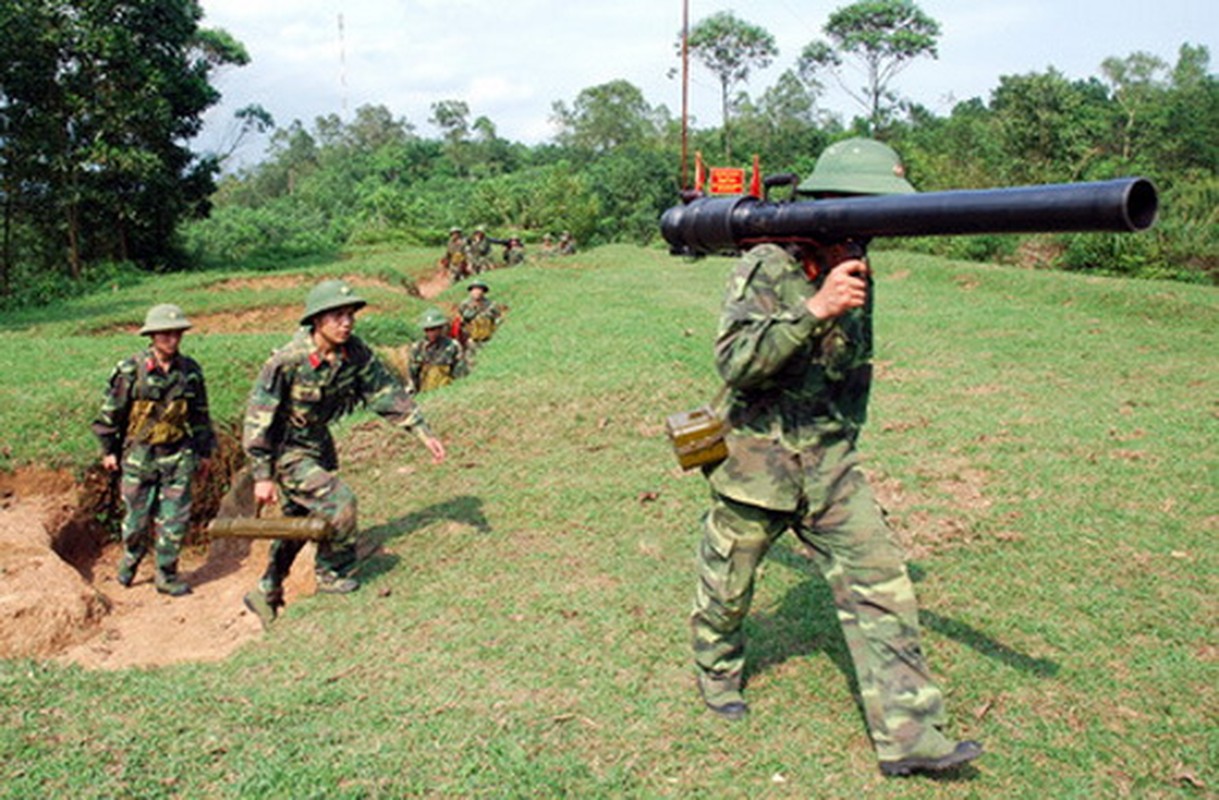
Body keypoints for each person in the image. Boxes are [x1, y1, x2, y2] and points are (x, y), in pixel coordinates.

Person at [688, 138, 983, 777]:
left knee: (884, 588)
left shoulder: (855, 263)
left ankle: (911, 738)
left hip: (829, 465)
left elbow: (852, 370)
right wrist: (813, 311)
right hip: (757, 465)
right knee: (728, 589)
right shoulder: (767, 264)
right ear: (834, 204)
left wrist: (842, 443)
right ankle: (716, 673)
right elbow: (735, 363)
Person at [242, 279, 447, 625]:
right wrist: (262, 475)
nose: (346, 322)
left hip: (319, 448)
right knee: (340, 502)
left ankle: (266, 589)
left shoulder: (355, 352)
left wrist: (420, 430)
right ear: (317, 320)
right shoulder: (287, 361)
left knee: (301, 523)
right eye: (337, 316)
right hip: (287, 452)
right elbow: (258, 418)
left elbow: (383, 390)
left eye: (350, 315)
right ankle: (331, 573)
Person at [93, 304, 216, 596]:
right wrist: (108, 450)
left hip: (178, 456)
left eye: (176, 334)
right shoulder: (130, 371)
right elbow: (111, 413)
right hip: (140, 456)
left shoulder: (190, 372)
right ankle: (131, 561)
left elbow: (199, 415)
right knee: (135, 521)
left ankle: (166, 574)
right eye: (165, 334)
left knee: (174, 521)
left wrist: (205, 451)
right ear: (152, 336)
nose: (171, 340)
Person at [409, 308, 467, 391]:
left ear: (440, 328)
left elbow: (460, 374)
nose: (430, 333)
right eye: (427, 330)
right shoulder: (417, 348)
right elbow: (413, 375)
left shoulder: (453, 346)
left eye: (433, 329)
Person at [456, 280, 503, 349]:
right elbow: (460, 320)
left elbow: (498, 319)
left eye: (479, 290)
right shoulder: (464, 304)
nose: (477, 292)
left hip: (487, 337)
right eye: (474, 290)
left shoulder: (491, 305)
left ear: (483, 292)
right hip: (470, 337)